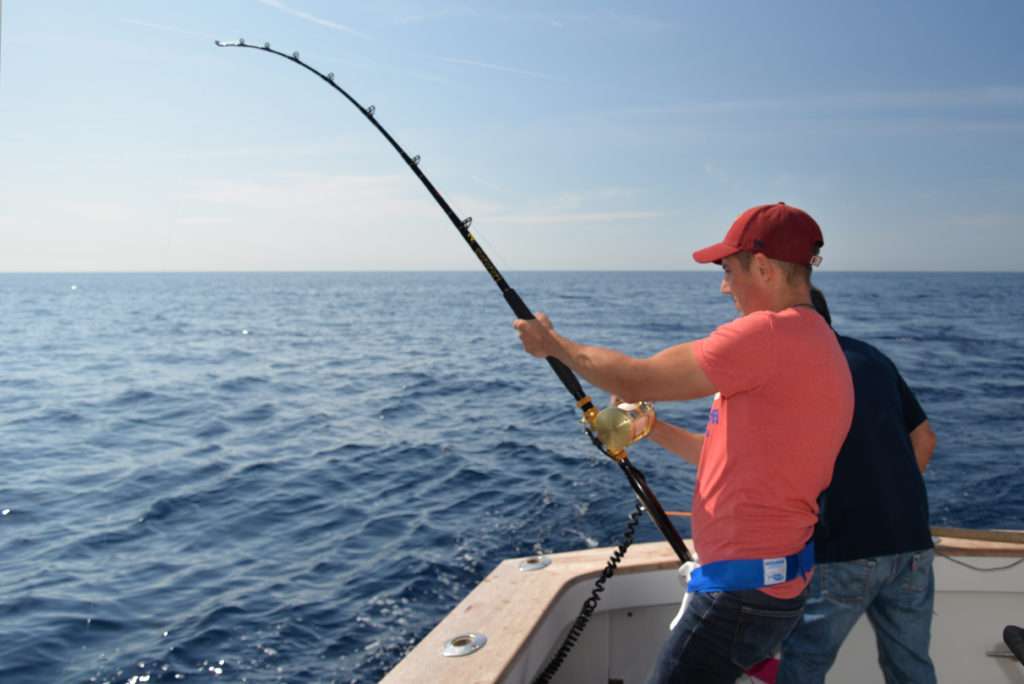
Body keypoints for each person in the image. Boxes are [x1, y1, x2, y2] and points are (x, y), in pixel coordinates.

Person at [513, 203, 854, 683]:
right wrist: (651, 428)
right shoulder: (820, 342)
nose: (723, 286)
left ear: (762, 267)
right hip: (777, 583)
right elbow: (731, 458)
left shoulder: (768, 335)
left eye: (728, 270)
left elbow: (635, 380)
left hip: (739, 594)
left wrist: (553, 345)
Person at [778, 288, 938, 684]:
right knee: (911, 667)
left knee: (802, 666)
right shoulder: (874, 358)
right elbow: (925, 438)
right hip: (912, 544)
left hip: (843, 549)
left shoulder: (797, 369)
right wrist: (888, 496)